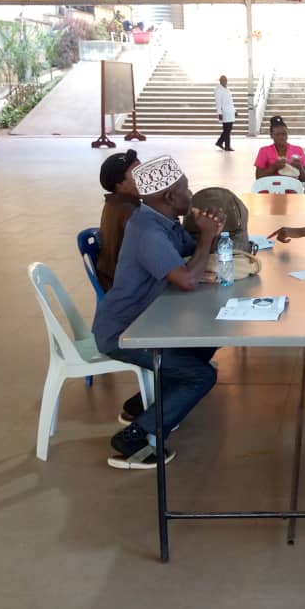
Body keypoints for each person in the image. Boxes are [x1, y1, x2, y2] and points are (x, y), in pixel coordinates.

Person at [92, 155, 225, 469]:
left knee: (205, 342)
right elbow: (187, 280)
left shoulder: (162, 221)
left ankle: (142, 405)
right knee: (200, 375)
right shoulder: (147, 232)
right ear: (169, 196)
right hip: (123, 332)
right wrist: (207, 237)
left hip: (146, 320)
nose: (191, 194)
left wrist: (211, 232)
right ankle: (135, 436)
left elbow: (189, 252)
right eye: (186, 189)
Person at [95, 149, 140, 292]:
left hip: (114, 279)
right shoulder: (129, 211)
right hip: (125, 288)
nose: (147, 177)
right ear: (120, 184)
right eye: (137, 174)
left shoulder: (114, 203)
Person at [254, 116, 305, 185]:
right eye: (277, 134)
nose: (281, 137)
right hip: (269, 190)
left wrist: (300, 167)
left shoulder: (297, 150)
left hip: (291, 190)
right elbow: (258, 177)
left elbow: (304, 179)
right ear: (271, 135)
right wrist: (273, 167)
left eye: (284, 134)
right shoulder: (264, 151)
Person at [214, 75, 235, 152]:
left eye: (226, 81)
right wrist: (219, 113)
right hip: (224, 112)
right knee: (227, 130)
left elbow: (230, 102)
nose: (225, 82)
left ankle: (219, 142)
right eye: (224, 81)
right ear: (220, 81)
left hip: (230, 112)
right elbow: (218, 103)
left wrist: (234, 111)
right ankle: (227, 146)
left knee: (228, 129)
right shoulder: (218, 90)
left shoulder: (226, 89)